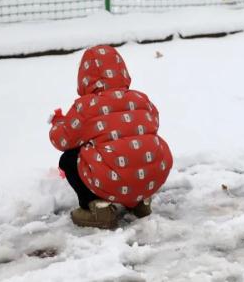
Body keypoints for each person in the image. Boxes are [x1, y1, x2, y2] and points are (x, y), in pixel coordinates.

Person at [49, 45, 173, 229]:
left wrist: (59, 123)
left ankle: (97, 208)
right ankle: (140, 202)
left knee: (68, 159)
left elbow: (62, 140)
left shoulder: (86, 106)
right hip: (153, 176)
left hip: (113, 180)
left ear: (84, 77)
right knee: (137, 145)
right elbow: (151, 125)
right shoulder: (140, 99)